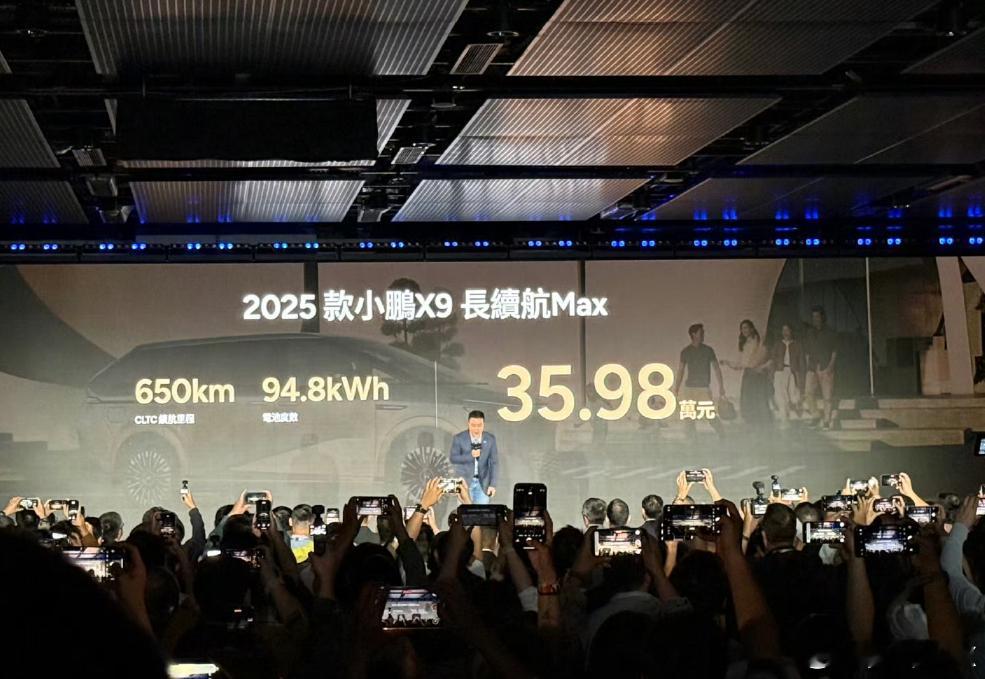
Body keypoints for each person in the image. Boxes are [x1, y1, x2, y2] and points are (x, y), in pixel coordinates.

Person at [673, 323, 726, 438]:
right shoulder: (686, 351)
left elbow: (716, 368)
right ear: (693, 334)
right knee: (689, 416)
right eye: (700, 332)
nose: (703, 334)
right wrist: (676, 388)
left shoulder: (708, 350)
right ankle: (692, 440)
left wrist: (721, 386)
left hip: (703, 388)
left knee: (709, 414)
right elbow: (681, 371)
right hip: (690, 388)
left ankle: (722, 435)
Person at [721, 319, 772, 426]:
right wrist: (727, 362)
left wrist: (761, 367)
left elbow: (762, 357)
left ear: (751, 328)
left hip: (757, 374)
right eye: (742, 328)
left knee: (758, 399)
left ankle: (762, 423)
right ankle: (751, 422)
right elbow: (742, 364)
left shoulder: (758, 341)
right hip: (748, 373)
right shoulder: (745, 345)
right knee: (747, 399)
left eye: (746, 327)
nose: (744, 330)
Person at [448, 409, 498, 505]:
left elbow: (494, 463)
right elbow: (453, 458)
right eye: (473, 425)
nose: (476, 428)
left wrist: (493, 484)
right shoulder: (459, 438)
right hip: (464, 483)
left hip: (483, 484)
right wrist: (470, 456)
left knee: (482, 513)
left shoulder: (490, 439)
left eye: (479, 425)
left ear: (483, 424)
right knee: (464, 512)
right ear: (468, 424)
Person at [805, 305, 838, 430]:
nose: (815, 319)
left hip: (825, 367)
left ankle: (827, 420)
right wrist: (808, 364)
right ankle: (816, 415)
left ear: (822, 317)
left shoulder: (830, 332)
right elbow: (807, 350)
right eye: (813, 317)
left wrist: (830, 367)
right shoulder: (809, 332)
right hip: (812, 367)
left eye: (817, 316)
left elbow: (835, 351)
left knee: (827, 397)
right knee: (808, 393)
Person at [768, 323, 806, 428]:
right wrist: (771, 374)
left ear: (791, 331)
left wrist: (801, 375)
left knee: (793, 395)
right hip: (779, 371)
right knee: (780, 395)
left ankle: (796, 406)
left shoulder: (797, 345)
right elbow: (773, 360)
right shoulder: (777, 345)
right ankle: (784, 419)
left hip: (792, 371)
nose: (785, 333)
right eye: (783, 330)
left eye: (787, 330)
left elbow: (801, 362)